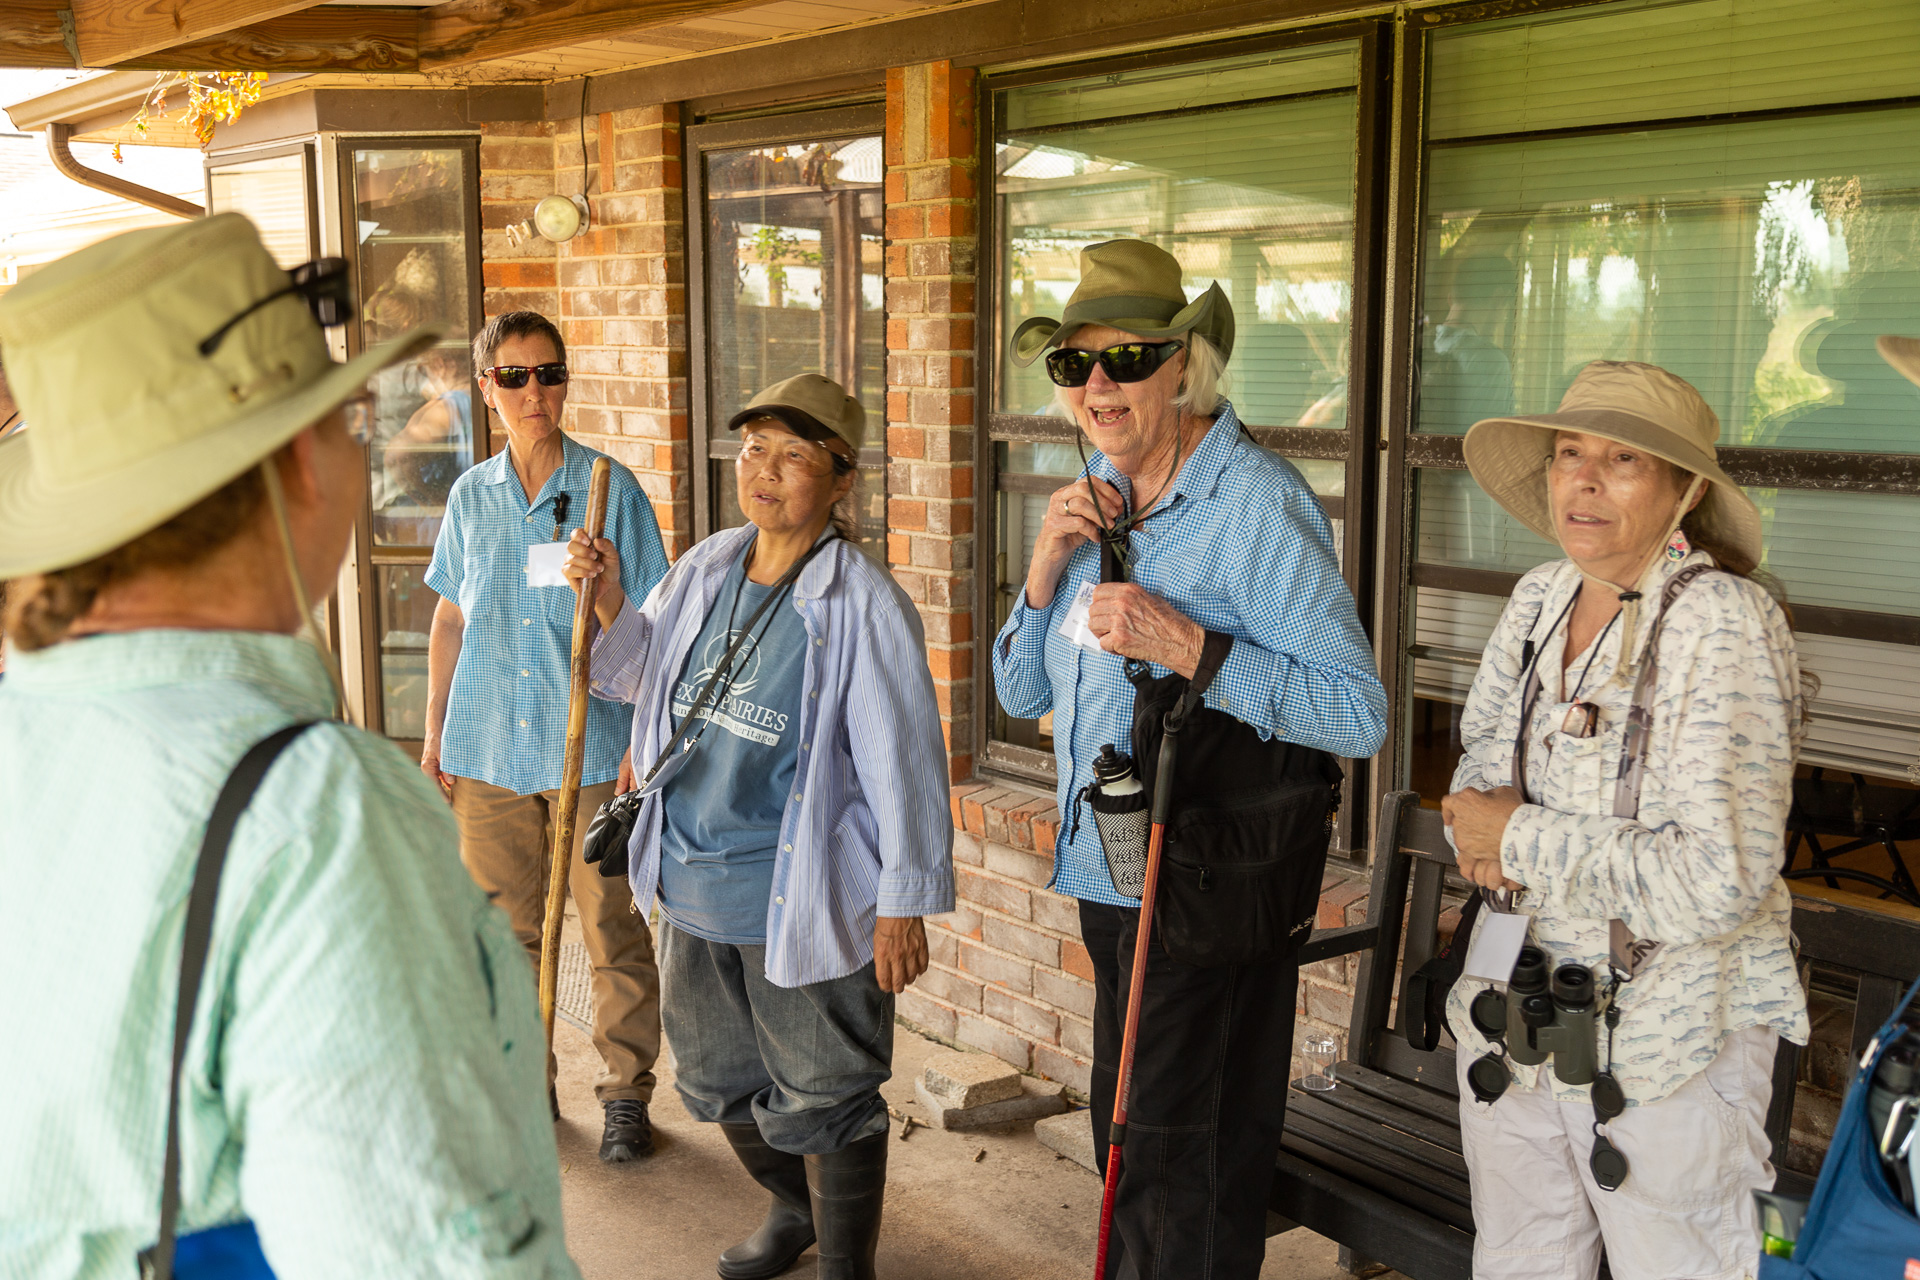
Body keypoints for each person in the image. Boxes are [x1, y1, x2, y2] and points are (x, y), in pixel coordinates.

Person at [0, 214, 577, 1275]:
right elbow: (416, 1249)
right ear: (299, 468)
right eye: (346, 415)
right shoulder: (313, 810)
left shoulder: (30, 724)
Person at [992, 239, 1387, 1278]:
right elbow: (1021, 694)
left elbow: (1360, 712)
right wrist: (1043, 566)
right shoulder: (1097, 498)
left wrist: (1186, 644)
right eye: (1075, 365)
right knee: (1133, 1146)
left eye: (1128, 357)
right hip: (1113, 874)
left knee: (1188, 1161)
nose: (1100, 385)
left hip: (1209, 883)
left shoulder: (1254, 504)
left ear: (1185, 364)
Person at [563, 373, 953, 1280]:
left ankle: (845, 1264)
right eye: (754, 450)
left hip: (802, 893)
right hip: (694, 887)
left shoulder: (862, 603)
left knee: (828, 1091)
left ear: (842, 477)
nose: (764, 471)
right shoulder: (707, 565)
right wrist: (614, 598)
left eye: (792, 454)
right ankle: (794, 1210)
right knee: (716, 1083)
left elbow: (906, 764)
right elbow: (638, 680)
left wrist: (902, 903)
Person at [1442, 359, 1812, 1280]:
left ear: (1686, 490)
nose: (1585, 478)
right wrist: (1483, 835)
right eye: (1570, 453)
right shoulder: (1540, 596)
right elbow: (1477, 772)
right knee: (1520, 1260)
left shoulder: (1721, 621)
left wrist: (1515, 839)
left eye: (1624, 460)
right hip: (1516, 1015)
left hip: (1669, 1039)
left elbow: (1720, 878)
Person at [422, 310, 671, 1162]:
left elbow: (656, 629)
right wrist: (432, 738)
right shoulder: (469, 497)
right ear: (488, 390)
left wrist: (603, 590)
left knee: (612, 930)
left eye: (550, 373)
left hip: (594, 750)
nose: (538, 392)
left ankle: (626, 1094)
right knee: (503, 936)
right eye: (518, 377)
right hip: (488, 746)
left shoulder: (611, 487)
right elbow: (450, 617)